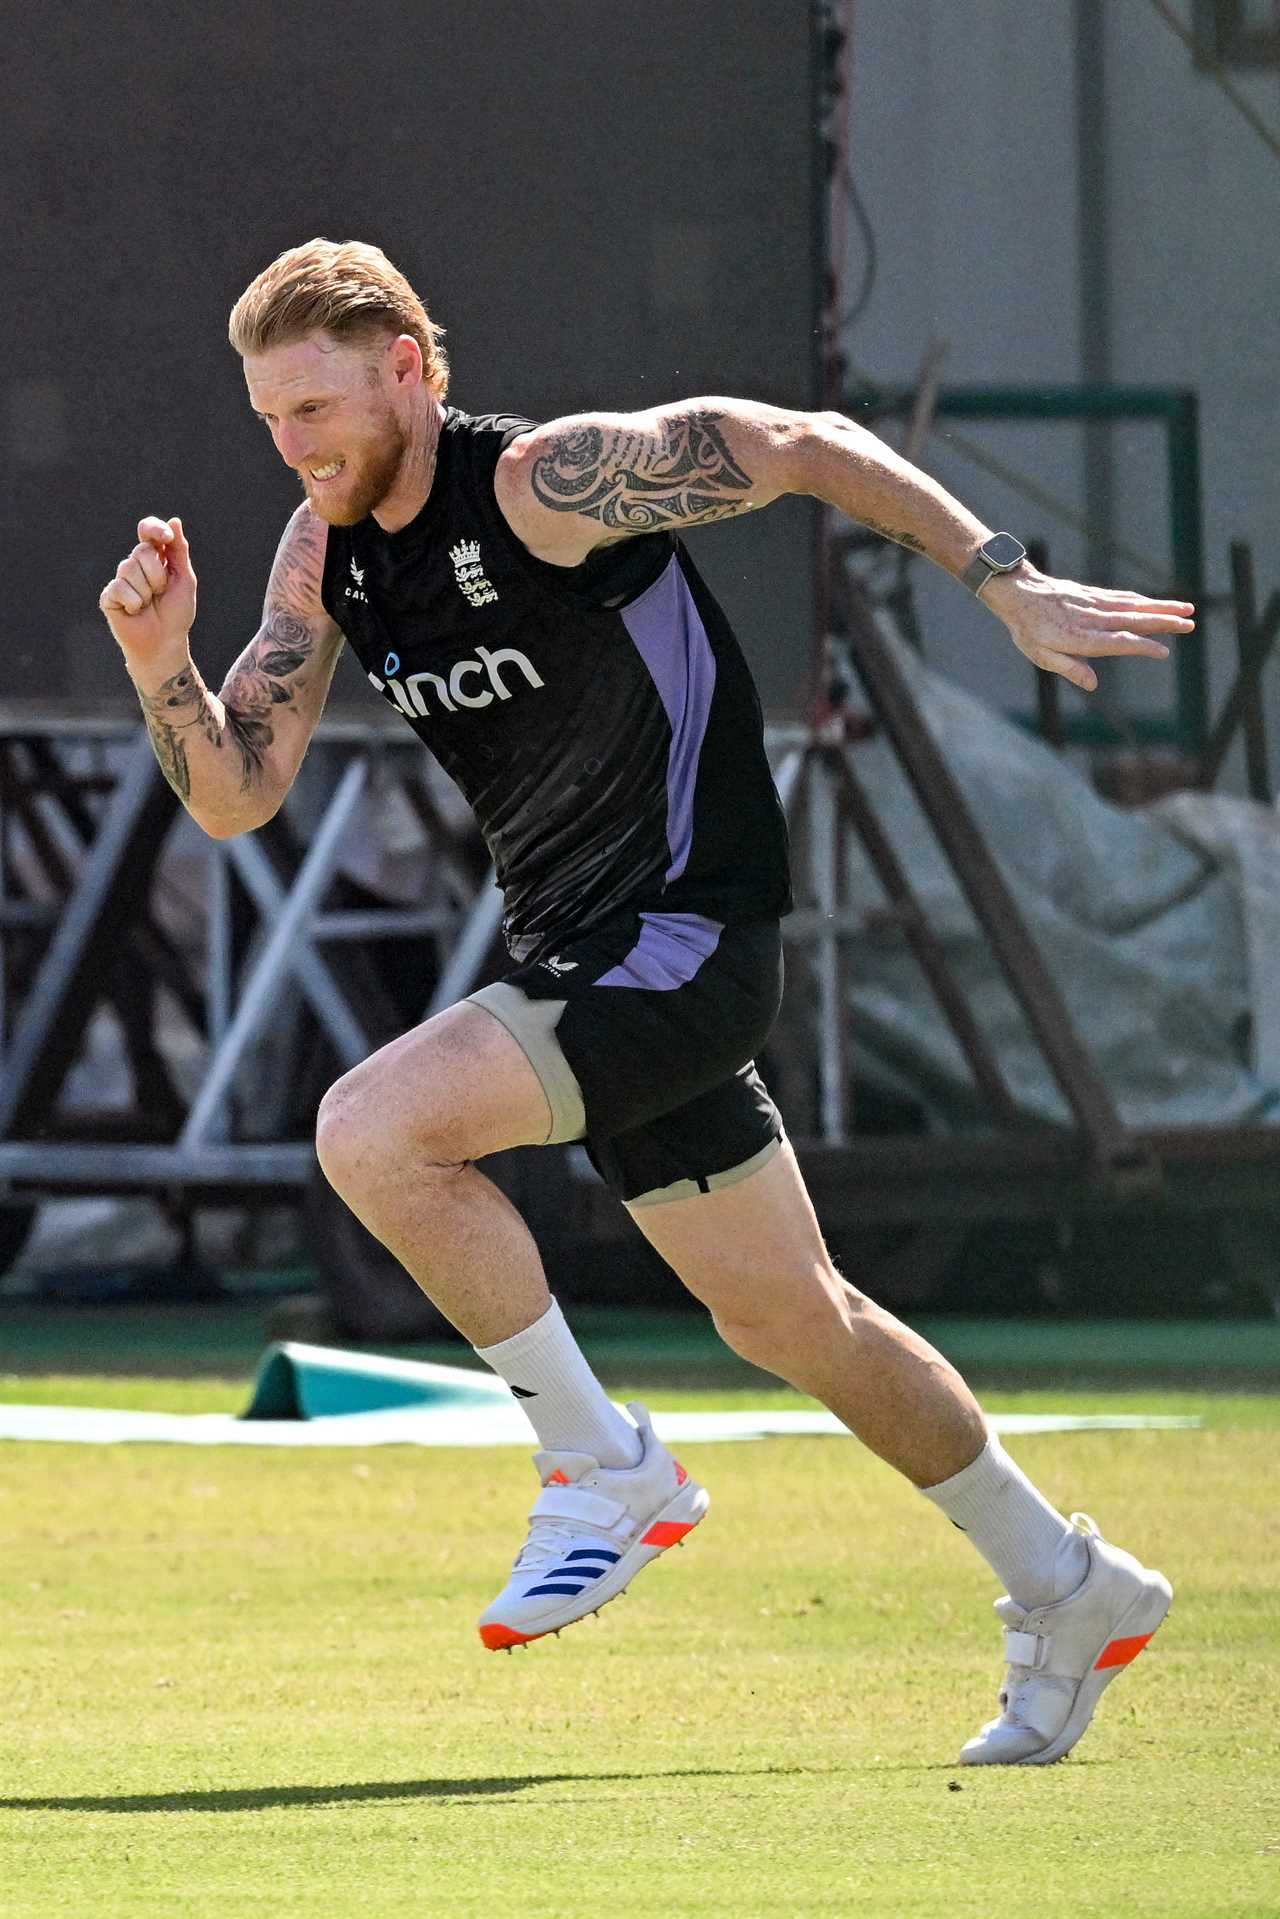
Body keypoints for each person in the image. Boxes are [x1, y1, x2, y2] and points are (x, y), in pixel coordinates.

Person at [100, 238, 1189, 1766]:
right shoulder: (319, 553)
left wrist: (1000, 579)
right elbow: (235, 793)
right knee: (797, 1324)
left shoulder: (551, 482)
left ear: (409, 367)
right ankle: (1068, 1586)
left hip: (686, 937)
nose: (295, 446)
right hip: (590, 963)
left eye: (317, 407)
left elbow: (799, 447)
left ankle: (596, 1462)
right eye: (270, 419)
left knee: (373, 1131)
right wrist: (164, 667)